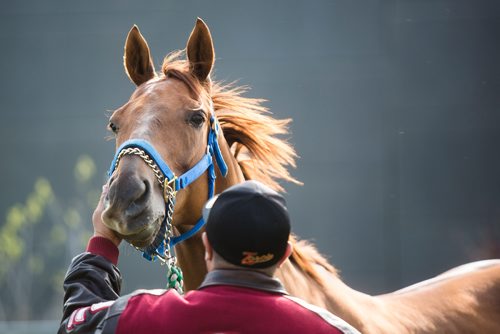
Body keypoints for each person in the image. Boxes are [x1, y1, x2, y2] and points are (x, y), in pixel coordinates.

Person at [59, 180, 360, 333]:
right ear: (284, 255)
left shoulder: (142, 317)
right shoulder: (333, 329)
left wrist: (104, 241)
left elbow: (76, 325)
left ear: (208, 247)